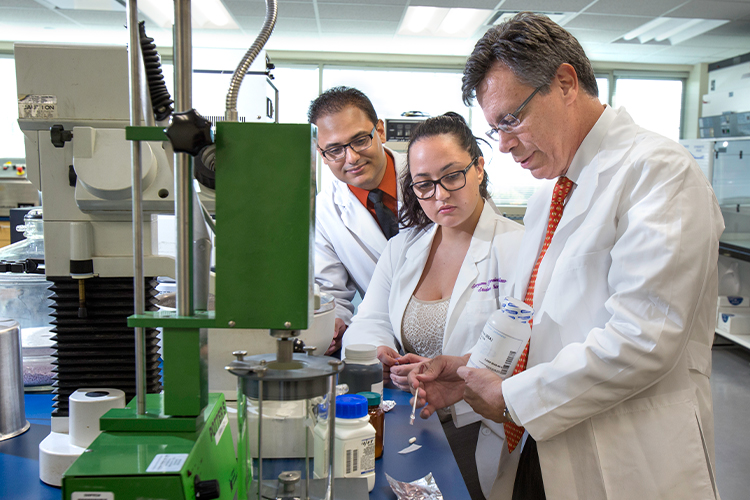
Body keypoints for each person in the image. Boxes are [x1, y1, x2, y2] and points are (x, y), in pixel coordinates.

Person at [409, 12, 724, 500]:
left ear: (565, 82)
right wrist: (473, 370)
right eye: (496, 129)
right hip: (540, 449)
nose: (505, 144)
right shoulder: (551, 195)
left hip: (625, 461)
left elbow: (644, 339)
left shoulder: (659, 173)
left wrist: (510, 396)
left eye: (511, 119)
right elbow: (540, 326)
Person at [342, 112, 524, 499]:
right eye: (424, 185)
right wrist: (380, 352)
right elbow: (370, 318)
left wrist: (461, 370)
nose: (440, 195)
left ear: (478, 167)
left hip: (482, 429)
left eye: (452, 176)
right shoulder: (403, 247)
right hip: (415, 423)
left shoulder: (518, 248)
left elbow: (528, 350)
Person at [308, 87, 407, 354]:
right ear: (321, 154)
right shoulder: (324, 211)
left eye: (360, 140)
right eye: (335, 150)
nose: (351, 158)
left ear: (380, 131)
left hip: (459, 331)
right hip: (383, 337)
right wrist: (333, 323)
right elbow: (331, 293)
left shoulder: (431, 177)